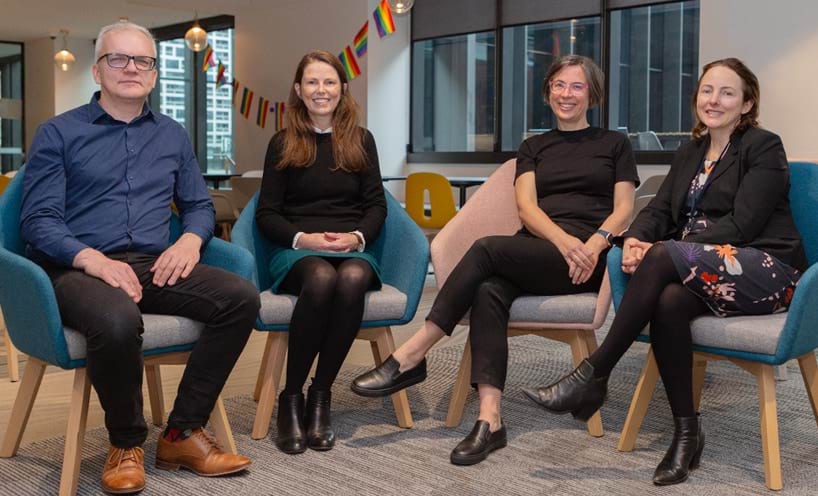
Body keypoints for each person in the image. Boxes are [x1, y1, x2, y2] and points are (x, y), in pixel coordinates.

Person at [523, 58, 806, 486]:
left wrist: (664, 248)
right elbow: (659, 208)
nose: (714, 100)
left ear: (747, 103)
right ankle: (686, 433)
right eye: (707, 90)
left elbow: (745, 224)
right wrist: (637, 237)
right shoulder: (692, 151)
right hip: (705, 270)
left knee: (661, 256)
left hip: (764, 269)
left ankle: (594, 373)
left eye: (727, 93)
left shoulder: (763, 147)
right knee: (670, 302)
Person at [352, 55, 638, 465]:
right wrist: (561, 239)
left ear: (592, 93)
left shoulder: (614, 144)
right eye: (559, 85)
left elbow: (624, 209)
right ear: (548, 91)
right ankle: (490, 419)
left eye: (576, 86)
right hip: (540, 250)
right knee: (488, 290)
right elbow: (526, 209)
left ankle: (413, 353)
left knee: (487, 248)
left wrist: (591, 246)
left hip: (586, 262)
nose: (566, 94)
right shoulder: (533, 147)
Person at [20, 22, 258, 494]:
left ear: (153, 75)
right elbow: (38, 221)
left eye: (143, 61)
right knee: (116, 320)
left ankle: (180, 433)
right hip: (77, 267)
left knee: (242, 298)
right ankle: (125, 442)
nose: (131, 68)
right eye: (118, 59)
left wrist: (190, 240)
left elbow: (198, 206)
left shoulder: (172, 136)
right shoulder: (58, 133)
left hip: (153, 263)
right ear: (97, 69)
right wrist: (93, 260)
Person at [255, 50, 387, 455]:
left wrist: (357, 239)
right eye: (312, 82)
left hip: (351, 247)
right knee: (321, 277)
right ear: (298, 89)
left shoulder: (361, 140)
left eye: (329, 81)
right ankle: (290, 397)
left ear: (343, 89)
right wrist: (303, 239)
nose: (321, 90)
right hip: (297, 251)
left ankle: (321, 395)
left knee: (349, 278)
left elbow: (376, 206)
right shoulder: (283, 142)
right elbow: (267, 213)